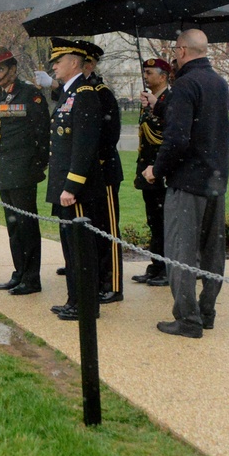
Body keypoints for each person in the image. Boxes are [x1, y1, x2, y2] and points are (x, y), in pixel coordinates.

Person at [143, 29, 229, 339]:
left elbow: (177, 139)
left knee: (180, 251)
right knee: (211, 253)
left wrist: (156, 169)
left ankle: (187, 319)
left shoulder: (184, 85)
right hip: (215, 182)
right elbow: (203, 124)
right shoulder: (218, 83)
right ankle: (207, 311)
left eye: (173, 50)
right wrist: (160, 105)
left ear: (181, 51)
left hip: (188, 183)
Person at [45, 39, 105, 321]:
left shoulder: (85, 94)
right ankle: (75, 299)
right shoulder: (69, 94)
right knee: (70, 248)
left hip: (77, 189)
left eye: (59, 60)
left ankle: (86, 305)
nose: (54, 65)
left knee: (81, 250)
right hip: (64, 186)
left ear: (74, 63)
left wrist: (72, 185)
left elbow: (84, 146)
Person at [0, 47, 50, 295]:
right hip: (4, 167)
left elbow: (42, 131)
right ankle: (19, 272)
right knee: (12, 225)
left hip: (24, 168)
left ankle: (32, 278)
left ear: (13, 69)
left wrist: (38, 163)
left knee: (26, 224)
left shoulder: (30, 94)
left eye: (0, 69)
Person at [78, 41, 124, 304]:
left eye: (82, 62)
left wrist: (95, 161)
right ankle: (96, 277)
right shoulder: (80, 91)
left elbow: (110, 135)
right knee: (93, 227)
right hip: (89, 173)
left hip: (104, 171)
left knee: (108, 229)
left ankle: (113, 283)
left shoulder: (101, 91)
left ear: (91, 64)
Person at [132, 58, 171, 286]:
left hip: (161, 171)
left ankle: (167, 267)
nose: (145, 76)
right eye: (144, 72)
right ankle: (155, 266)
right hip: (147, 170)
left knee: (165, 222)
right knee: (154, 221)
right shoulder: (147, 101)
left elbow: (169, 135)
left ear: (163, 76)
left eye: (149, 73)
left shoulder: (170, 100)